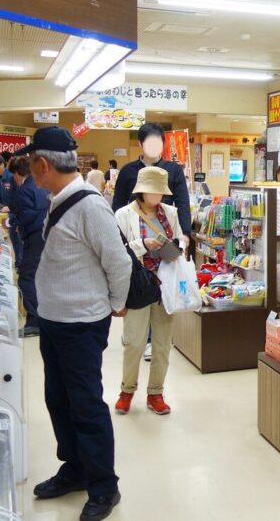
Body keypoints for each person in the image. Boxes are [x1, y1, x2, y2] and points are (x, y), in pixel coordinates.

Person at [16, 126, 131, 521]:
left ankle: (104, 485)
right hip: (54, 321)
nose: (31, 170)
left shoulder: (90, 206)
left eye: (32, 164)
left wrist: (116, 305)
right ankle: (76, 468)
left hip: (81, 324)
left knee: (84, 404)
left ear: (43, 165)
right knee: (58, 400)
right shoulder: (57, 199)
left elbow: (118, 262)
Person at [113, 167, 183, 417]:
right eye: (153, 191)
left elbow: (181, 239)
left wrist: (175, 248)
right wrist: (143, 245)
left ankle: (156, 393)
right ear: (142, 190)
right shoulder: (124, 215)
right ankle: (126, 390)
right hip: (138, 284)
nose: (158, 197)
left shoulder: (170, 213)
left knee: (163, 344)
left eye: (161, 192)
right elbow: (118, 250)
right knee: (134, 342)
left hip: (165, 283)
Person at [112, 123, 191, 253]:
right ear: (140, 143)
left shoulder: (174, 169)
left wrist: (185, 234)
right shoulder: (128, 171)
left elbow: (182, 202)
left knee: (169, 262)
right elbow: (118, 204)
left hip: (166, 227)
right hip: (135, 229)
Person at [8, 156, 50, 337]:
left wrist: (12, 222)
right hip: (48, 235)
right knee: (40, 276)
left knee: (26, 277)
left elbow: (26, 216)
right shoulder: (42, 185)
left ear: (18, 174)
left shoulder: (24, 190)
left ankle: (34, 320)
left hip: (34, 237)